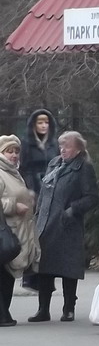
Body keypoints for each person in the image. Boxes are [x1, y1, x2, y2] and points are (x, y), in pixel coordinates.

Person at [31, 130, 99, 322]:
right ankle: (43, 309)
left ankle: (69, 308)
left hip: (67, 225)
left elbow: (93, 197)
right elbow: (44, 192)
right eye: (61, 146)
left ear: (78, 149)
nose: (63, 150)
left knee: (68, 269)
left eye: (67, 146)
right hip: (46, 223)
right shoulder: (54, 164)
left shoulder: (83, 167)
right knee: (44, 268)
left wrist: (72, 210)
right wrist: (37, 216)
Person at [0, 136, 40, 327]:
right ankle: (2, 314)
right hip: (5, 233)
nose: (14, 155)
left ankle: (4, 313)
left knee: (7, 276)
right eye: (10, 151)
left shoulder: (14, 173)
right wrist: (14, 206)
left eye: (16, 151)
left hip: (17, 231)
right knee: (4, 275)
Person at [19, 108, 59, 197]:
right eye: (40, 123)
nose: (44, 126)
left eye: (46, 123)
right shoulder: (26, 143)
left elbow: (59, 165)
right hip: (35, 189)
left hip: (53, 187)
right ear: (34, 125)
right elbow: (24, 169)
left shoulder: (54, 143)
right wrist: (30, 189)